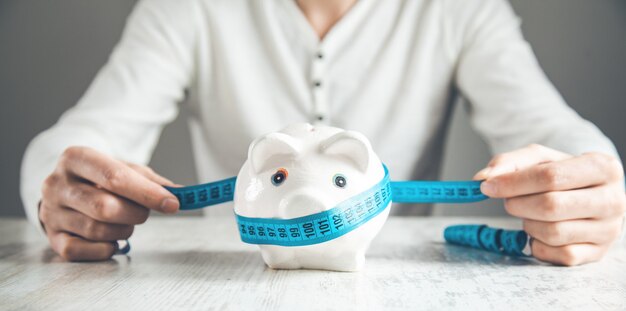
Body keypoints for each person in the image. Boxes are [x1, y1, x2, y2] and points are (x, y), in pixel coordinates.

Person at [20, 0, 625, 265]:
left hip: (396, 297)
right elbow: (78, 140)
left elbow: (553, 129)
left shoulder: (459, 8)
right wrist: (59, 191)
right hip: (234, 290)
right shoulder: (186, 7)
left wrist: (594, 179)